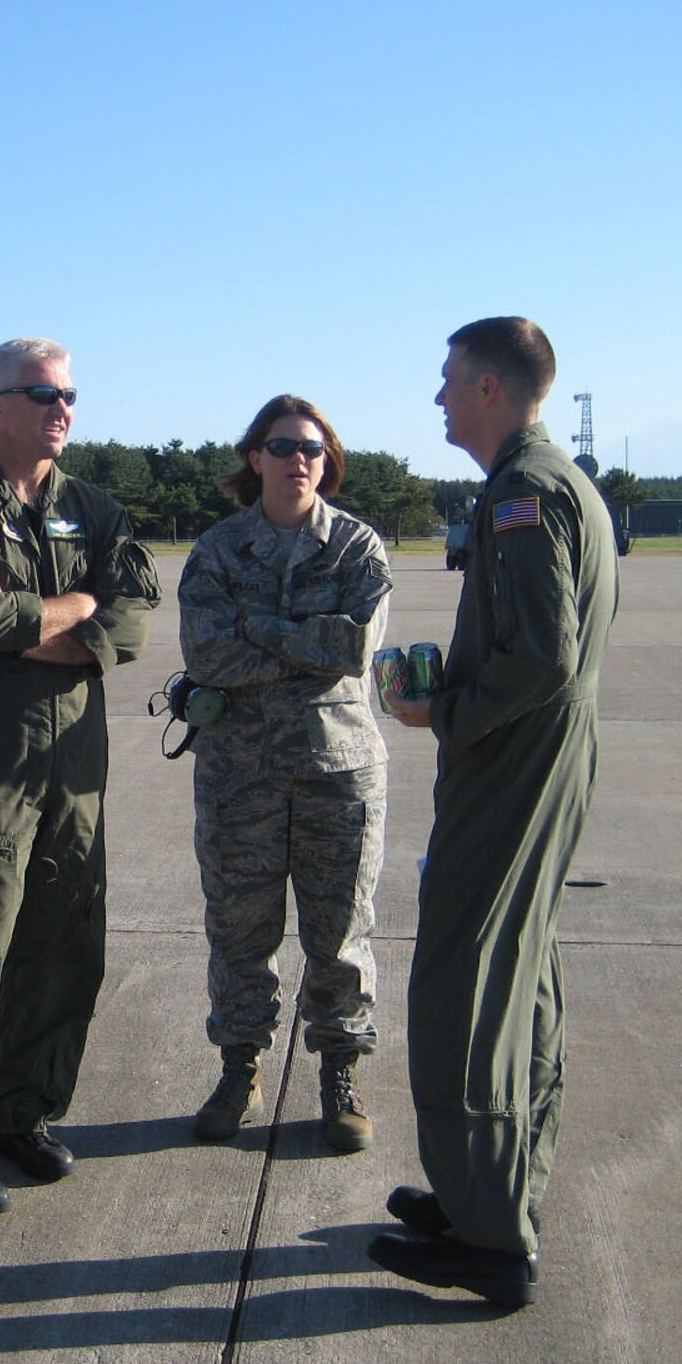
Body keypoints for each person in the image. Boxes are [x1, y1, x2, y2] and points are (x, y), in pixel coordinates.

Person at [370, 316, 619, 1308]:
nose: (435, 398)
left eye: (446, 381)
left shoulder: (520, 491)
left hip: (511, 759)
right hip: (544, 754)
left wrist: (444, 710)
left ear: (488, 388)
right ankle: (496, 1190)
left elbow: (541, 657)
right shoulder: (554, 482)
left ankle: (486, 1235)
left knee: (462, 979)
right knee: (520, 970)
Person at [0, 336, 161, 1219]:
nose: (63, 410)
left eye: (70, 396)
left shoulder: (94, 506)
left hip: (78, 755)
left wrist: (53, 621)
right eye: (42, 395)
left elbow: (130, 619)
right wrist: (71, 608)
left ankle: (24, 1114)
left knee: (63, 941)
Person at [178, 395, 391, 1153]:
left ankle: (340, 1073)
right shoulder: (218, 550)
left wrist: (256, 631)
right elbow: (206, 657)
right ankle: (240, 1068)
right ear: (254, 458)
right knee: (240, 932)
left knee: (339, 936)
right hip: (239, 776)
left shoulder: (357, 547)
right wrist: (305, 642)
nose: (297, 460)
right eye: (282, 446)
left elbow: (355, 646)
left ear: (326, 460)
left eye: (311, 448)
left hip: (340, 773)